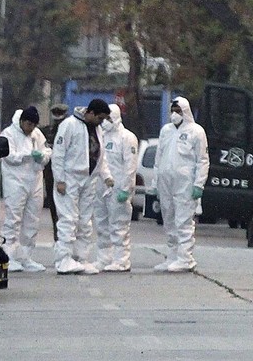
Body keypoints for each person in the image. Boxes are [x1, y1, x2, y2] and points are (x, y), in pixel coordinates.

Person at [51, 99, 113, 275]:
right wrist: (60, 179)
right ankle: (63, 259)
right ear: (91, 113)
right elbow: (59, 153)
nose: (101, 122)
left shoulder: (97, 129)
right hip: (70, 179)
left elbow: (101, 154)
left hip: (88, 179)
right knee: (68, 219)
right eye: (100, 118)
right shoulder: (69, 125)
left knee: (85, 221)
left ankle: (80, 258)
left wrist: (106, 176)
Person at [149, 96, 209, 272]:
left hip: (185, 184)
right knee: (169, 219)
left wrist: (199, 184)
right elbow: (158, 158)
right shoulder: (166, 130)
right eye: (173, 111)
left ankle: (185, 258)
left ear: (186, 111)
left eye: (178, 111)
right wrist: (155, 182)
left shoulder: (196, 132)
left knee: (183, 220)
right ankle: (172, 256)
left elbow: (202, 160)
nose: (175, 115)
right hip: (165, 182)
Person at [0, 107, 52, 272]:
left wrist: (42, 156)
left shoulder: (36, 134)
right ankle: (9, 257)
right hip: (15, 182)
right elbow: (9, 156)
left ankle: (25, 257)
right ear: (22, 121)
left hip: (34, 182)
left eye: (34, 125)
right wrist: (29, 154)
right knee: (13, 220)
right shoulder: (9, 134)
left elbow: (47, 152)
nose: (31, 128)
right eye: (29, 124)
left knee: (32, 220)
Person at [92, 104, 139, 272]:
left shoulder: (127, 137)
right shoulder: (100, 135)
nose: (106, 122)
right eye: (104, 118)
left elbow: (130, 166)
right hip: (101, 186)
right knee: (101, 223)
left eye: (109, 119)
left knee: (119, 225)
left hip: (119, 188)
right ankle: (104, 258)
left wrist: (126, 189)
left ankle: (122, 259)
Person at [41, 103, 70, 241]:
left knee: (67, 207)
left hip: (68, 173)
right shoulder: (48, 131)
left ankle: (65, 237)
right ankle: (57, 235)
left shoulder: (70, 130)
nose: (58, 119)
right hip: (50, 173)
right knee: (53, 204)